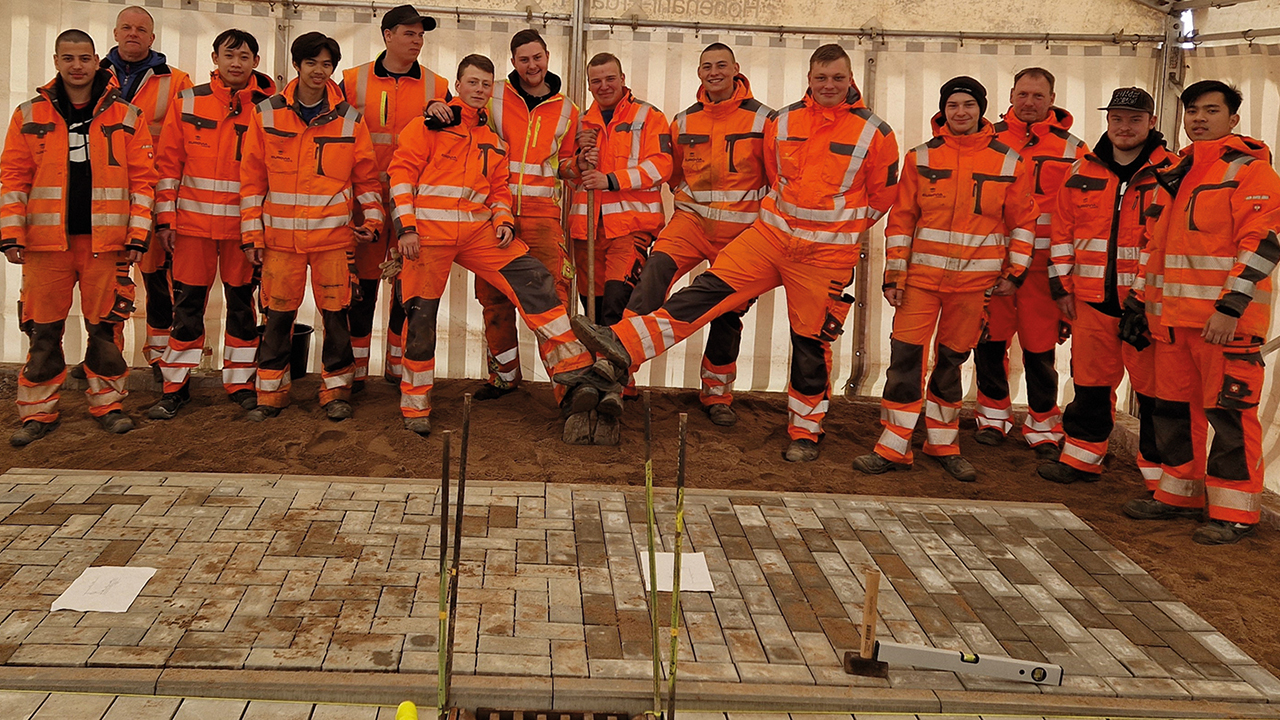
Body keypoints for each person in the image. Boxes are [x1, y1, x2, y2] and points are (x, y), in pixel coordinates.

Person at [570, 43, 899, 462]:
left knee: (807, 341)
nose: (829, 85)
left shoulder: (863, 130)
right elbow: (745, 176)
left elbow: (881, 198)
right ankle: (619, 356)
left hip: (815, 253)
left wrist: (834, 229)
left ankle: (795, 427)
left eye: (837, 78)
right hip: (748, 234)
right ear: (809, 80)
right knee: (700, 291)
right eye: (821, 78)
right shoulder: (777, 121)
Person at [387, 54, 602, 437]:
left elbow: (498, 190)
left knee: (535, 281)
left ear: (492, 90)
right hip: (428, 236)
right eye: (472, 83)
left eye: (486, 84)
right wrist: (406, 228)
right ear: (457, 85)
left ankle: (575, 373)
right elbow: (401, 175)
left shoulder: (493, 141)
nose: (479, 90)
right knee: (421, 318)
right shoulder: (427, 127)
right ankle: (415, 405)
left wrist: (503, 221)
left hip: (478, 232)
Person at [853, 76, 1037, 482]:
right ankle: (893, 446)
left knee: (951, 364)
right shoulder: (920, 158)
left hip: (973, 286)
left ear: (981, 109)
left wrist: (1016, 272)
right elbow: (901, 220)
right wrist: (894, 275)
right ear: (943, 110)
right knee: (905, 362)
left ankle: (943, 444)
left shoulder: (1009, 161)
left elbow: (1024, 222)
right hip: (920, 282)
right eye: (953, 105)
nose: (960, 112)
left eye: (968, 104)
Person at [1119, 80, 1280, 545]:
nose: (1199, 119)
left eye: (1211, 110)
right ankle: (1178, 495)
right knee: (1173, 412)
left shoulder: (1251, 173)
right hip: (1171, 323)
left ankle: (1235, 513)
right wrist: (1137, 301)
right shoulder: (1179, 171)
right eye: (1193, 111)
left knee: (1230, 416)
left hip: (1224, 326)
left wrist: (1230, 308)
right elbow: (1156, 245)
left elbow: (1263, 244)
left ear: (1233, 119)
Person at [2, 29, 158, 446]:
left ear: (96, 61)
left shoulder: (128, 115)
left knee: (105, 331)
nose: (76, 66)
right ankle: (37, 413)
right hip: (44, 246)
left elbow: (144, 182)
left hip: (107, 245)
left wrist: (137, 236)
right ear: (56, 61)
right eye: (68, 58)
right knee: (42, 332)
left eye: (84, 58)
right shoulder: (28, 114)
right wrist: (11, 234)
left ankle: (109, 405)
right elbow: (13, 179)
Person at [621, 42, 771, 428]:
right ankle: (621, 370)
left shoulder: (764, 120)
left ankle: (716, 393)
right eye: (707, 66)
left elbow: (777, 178)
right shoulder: (684, 121)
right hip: (690, 223)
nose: (714, 72)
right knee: (652, 277)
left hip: (741, 233)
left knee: (727, 311)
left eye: (721, 65)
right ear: (699, 72)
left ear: (736, 69)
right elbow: (675, 176)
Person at [239, 32, 383, 421]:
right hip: (280, 243)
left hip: (333, 241)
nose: (319, 71)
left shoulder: (350, 120)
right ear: (296, 65)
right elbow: (252, 181)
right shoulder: (266, 114)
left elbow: (367, 179)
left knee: (337, 319)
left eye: (326, 64)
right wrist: (251, 235)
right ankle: (270, 394)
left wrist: (373, 221)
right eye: (311, 63)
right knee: (277, 318)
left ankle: (336, 392)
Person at [1037, 88, 1176, 485]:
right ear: (1108, 121)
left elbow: (1168, 244)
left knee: (1154, 394)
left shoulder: (1172, 172)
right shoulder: (1081, 170)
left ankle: (1160, 477)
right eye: (1117, 118)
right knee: (1089, 385)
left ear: (1151, 122)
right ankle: (1081, 459)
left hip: (1147, 307)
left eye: (1134, 119)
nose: (1124, 127)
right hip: (1091, 302)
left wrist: (1144, 298)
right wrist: (1061, 287)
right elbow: (1062, 233)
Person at [149, 29, 276, 419]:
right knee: (186, 308)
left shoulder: (270, 108)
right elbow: (168, 167)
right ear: (215, 58)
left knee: (242, 309)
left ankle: (240, 383)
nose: (236, 63)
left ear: (256, 62)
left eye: (244, 56)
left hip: (243, 231)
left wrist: (261, 229)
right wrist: (165, 220)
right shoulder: (187, 101)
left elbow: (273, 172)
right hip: (192, 229)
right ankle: (175, 387)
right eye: (229, 55)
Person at [973, 68, 1087, 457]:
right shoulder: (986, 139)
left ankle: (1042, 424)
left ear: (1052, 99)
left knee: (1040, 351)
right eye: (1023, 94)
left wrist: (1067, 271)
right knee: (990, 343)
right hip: (994, 265)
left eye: (1038, 96)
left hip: (1043, 271)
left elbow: (1082, 211)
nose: (1029, 103)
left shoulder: (1074, 149)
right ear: (1010, 95)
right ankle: (992, 417)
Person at [340, 4, 450, 390]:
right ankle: (355, 371)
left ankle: (397, 368)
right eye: (409, 33)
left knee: (407, 288)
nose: (417, 41)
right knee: (362, 287)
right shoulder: (351, 81)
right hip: (365, 200)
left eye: (421, 35)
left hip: (413, 204)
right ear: (387, 35)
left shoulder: (439, 87)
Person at [473, 28, 579, 401]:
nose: (532, 65)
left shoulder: (568, 110)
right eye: (524, 59)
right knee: (494, 298)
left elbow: (565, 165)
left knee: (552, 299)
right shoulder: (493, 95)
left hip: (543, 217)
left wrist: (580, 164)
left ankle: (567, 383)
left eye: (537, 58)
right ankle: (504, 377)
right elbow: (464, 112)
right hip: (494, 211)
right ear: (513, 62)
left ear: (547, 57)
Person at [101, 6, 193, 377]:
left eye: (141, 29)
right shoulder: (92, 75)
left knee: (159, 281)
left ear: (152, 38)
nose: (133, 34)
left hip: (154, 195)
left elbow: (187, 144)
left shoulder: (177, 81)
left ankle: (160, 358)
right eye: (126, 27)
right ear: (115, 33)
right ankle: (105, 355)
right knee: (107, 281)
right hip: (104, 198)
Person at [570, 53, 671, 326]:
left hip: (629, 229)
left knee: (616, 309)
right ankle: (598, 356)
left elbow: (662, 166)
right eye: (596, 81)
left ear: (623, 79)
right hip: (587, 231)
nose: (604, 86)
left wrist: (611, 180)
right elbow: (565, 172)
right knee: (593, 316)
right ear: (589, 85)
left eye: (610, 78)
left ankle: (619, 356)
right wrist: (579, 160)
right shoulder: (581, 122)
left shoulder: (649, 116)